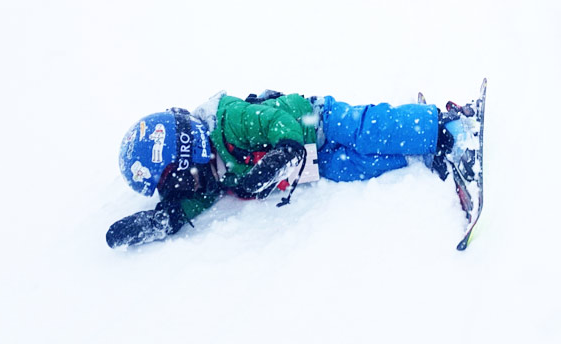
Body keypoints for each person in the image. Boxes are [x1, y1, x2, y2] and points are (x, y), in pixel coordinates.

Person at [106, 89, 481, 247]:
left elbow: (274, 123)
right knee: (357, 167)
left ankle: (442, 127)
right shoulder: (207, 174)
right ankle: (417, 152)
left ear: (185, 148)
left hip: (315, 120)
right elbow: (196, 200)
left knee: (367, 129)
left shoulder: (229, 121)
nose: (185, 187)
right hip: (311, 167)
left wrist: (283, 154)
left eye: (177, 178)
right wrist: (164, 219)